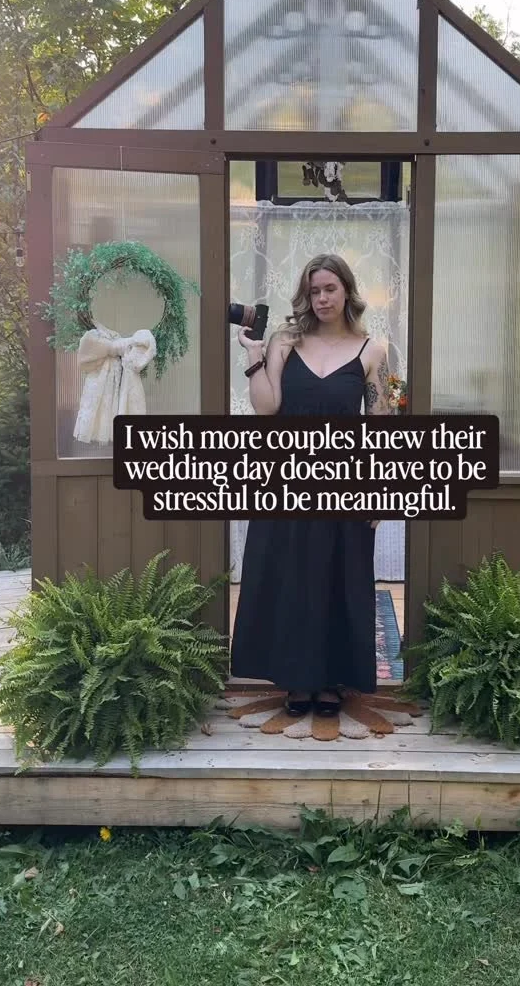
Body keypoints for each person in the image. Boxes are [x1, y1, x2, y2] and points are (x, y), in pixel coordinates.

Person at [230, 254, 391, 718]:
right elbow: (267, 408)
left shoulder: (372, 350)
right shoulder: (285, 341)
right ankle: (296, 679)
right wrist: (254, 356)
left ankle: (331, 681)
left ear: (347, 292)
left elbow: (381, 425)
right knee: (290, 577)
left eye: (329, 289)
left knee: (339, 576)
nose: (322, 298)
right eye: (314, 291)